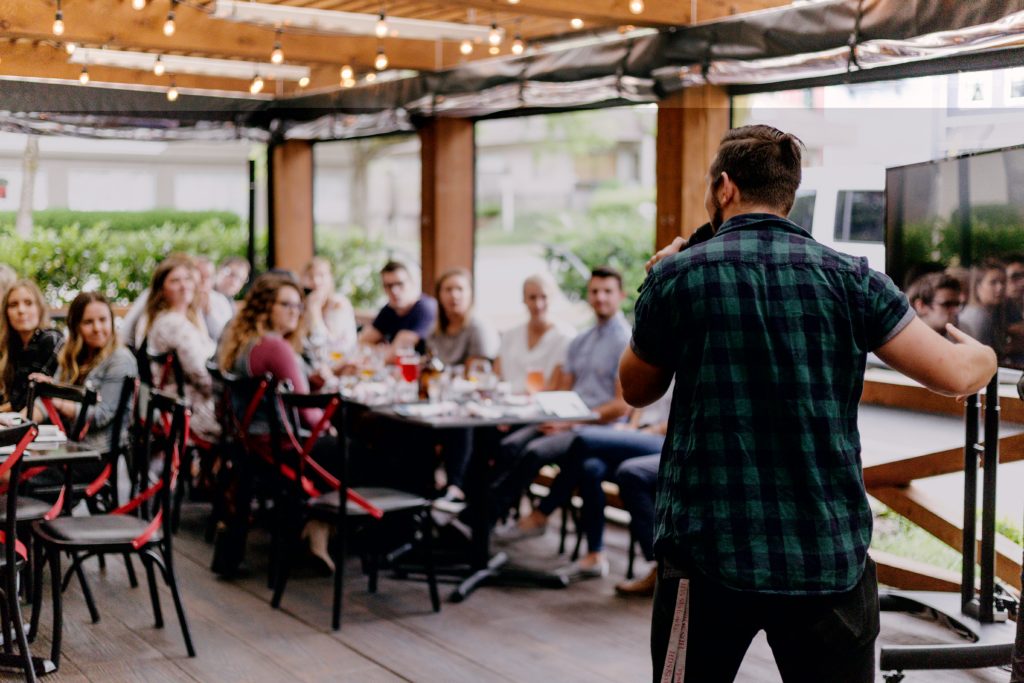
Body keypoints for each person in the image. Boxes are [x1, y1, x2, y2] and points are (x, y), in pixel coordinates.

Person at [621, 124, 997, 682]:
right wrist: (986, 353)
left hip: (706, 550)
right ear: (788, 194)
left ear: (724, 188)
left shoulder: (679, 276)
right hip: (825, 553)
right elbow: (954, 376)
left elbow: (636, 387)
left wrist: (656, 285)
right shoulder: (852, 279)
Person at [490, 266, 631, 542]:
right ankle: (487, 513)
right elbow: (563, 391)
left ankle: (489, 519)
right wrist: (553, 416)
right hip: (567, 422)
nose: (600, 297)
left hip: (597, 429)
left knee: (534, 452)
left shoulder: (626, 341)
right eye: (594, 291)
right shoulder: (581, 340)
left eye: (607, 292)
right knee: (508, 445)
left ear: (621, 296)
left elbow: (621, 407)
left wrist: (573, 421)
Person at [218, 272, 336, 572]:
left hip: (253, 445)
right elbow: (306, 412)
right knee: (361, 451)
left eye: (298, 306)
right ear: (266, 307)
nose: (295, 312)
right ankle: (320, 525)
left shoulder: (244, 342)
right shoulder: (276, 347)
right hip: (281, 448)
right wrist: (330, 424)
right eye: (286, 305)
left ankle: (316, 524)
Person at [527, 389, 671, 581]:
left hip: (658, 440)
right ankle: (595, 555)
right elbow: (638, 405)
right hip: (634, 435)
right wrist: (631, 427)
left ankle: (542, 511)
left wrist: (636, 432)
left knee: (582, 439)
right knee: (590, 468)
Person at [29, 291, 137, 484]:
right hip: (66, 446)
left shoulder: (120, 359)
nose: (97, 328)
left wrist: (58, 400)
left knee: (16, 477)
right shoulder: (71, 355)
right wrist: (19, 423)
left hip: (95, 453)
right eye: (88, 322)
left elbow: (102, 415)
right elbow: (46, 403)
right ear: (76, 326)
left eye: (103, 320)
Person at [425, 268, 499, 509]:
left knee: (460, 420)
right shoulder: (435, 332)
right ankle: (422, 490)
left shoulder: (478, 328)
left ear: (470, 295)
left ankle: (454, 488)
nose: (454, 295)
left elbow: (475, 374)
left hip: (475, 409)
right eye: (448, 289)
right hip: (440, 404)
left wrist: (443, 377)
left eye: (460, 289)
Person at [137, 254, 220, 444]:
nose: (184, 285)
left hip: (179, 407)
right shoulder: (173, 324)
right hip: (191, 411)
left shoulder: (180, 319)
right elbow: (202, 375)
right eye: (175, 281)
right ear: (161, 289)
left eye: (188, 279)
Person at [494, 274, 575, 394]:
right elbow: (496, 376)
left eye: (544, 297)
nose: (538, 304)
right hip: (504, 403)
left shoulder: (565, 336)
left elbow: (555, 387)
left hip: (540, 406)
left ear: (552, 298)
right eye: (532, 297)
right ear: (524, 300)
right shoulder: (510, 335)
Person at [0, 279, 63, 413]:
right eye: (13, 304)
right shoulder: (10, 346)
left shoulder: (50, 339)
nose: (21, 310)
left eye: (28, 303)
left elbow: (26, 399)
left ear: (39, 308)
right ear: (6, 312)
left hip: (42, 425)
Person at [357, 261, 437, 356]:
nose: (394, 291)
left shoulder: (425, 307)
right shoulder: (389, 310)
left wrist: (382, 350)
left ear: (412, 283)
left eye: (400, 284)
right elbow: (361, 343)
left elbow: (397, 354)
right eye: (388, 286)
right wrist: (384, 350)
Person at [300, 257, 358, 361]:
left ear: (330, 278)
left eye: (321, 275)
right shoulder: (305, 303)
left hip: (341, 361)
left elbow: (327, 343)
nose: (316, 281)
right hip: (315, 360)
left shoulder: (339, 303)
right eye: (310, 276)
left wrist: (314, 310)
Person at [958, 258, 1007, 356]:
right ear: (978, 286)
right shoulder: (977, 317)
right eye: (993, 282)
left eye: (1003, 282)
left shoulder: (991, 313)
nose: (1000, 288)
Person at [194, 255, 235, 342]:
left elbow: (225, 335)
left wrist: (208, 312)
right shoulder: (183, 300)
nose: (204, 280)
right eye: (200, 275)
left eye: (208, 276)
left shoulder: (220, 300)